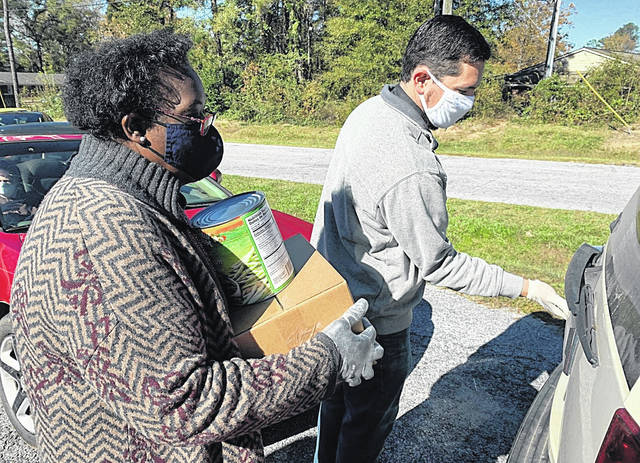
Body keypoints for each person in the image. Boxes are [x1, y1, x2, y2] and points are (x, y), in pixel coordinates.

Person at [10, 29, 382, 463]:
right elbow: (184, 406)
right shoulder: (106, 230)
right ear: (136, 128)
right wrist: (330, 357)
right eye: (194, 116)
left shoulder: (122, 196)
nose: (208, 128)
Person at [311, 15, 570, 463]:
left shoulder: (371, 111)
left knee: (333, 413)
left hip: (335, 305)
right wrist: (527, 287)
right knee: (365, 427)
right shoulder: (412, 165)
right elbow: (439, 263)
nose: (470, 102)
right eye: (464, 92)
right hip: (377, 322)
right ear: (422, 79)